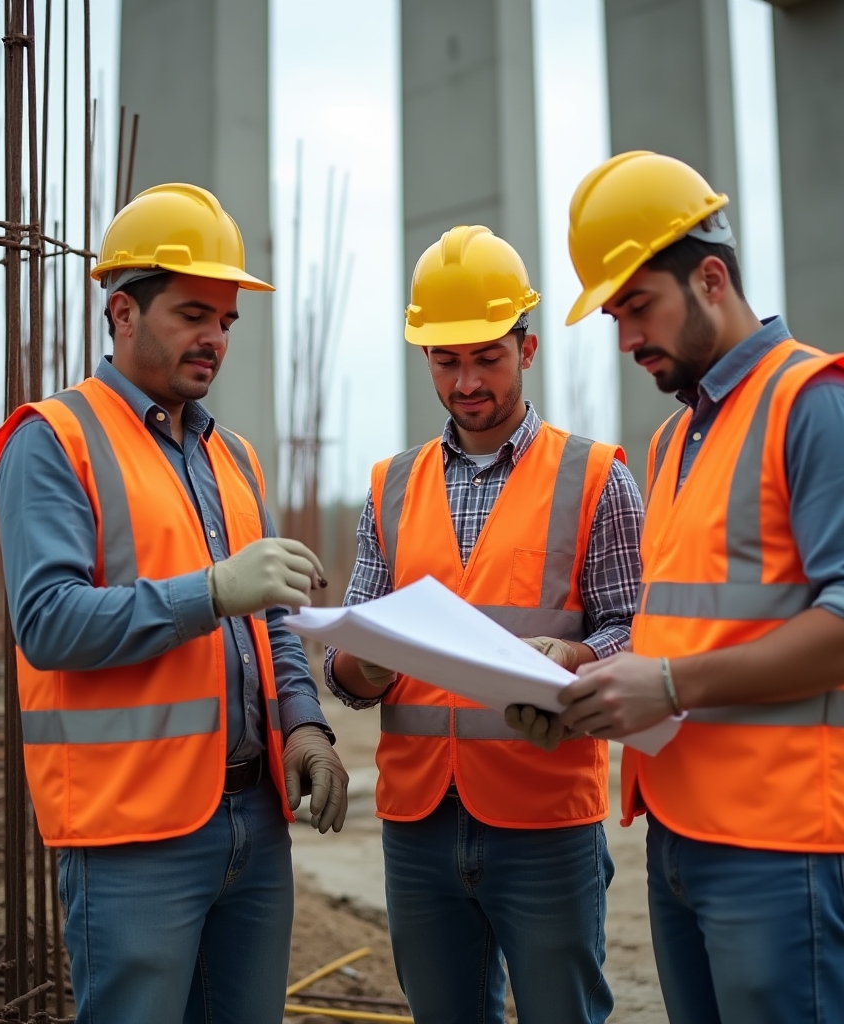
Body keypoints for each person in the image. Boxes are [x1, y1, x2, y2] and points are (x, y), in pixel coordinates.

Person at [511, 151, 844, 1024]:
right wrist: (586, 674)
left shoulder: (815, 403)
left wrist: (665, 685)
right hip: (680, 829)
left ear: (710, 277)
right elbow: (683, 629)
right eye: (614, 315)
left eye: (636, 306)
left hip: (783, 840)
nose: (624, 339)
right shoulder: (674, 444)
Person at [0, 183, 349, 1024]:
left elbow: (271, 627)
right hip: (130, 836)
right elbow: (48, 623)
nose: (215, 338)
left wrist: (303, 724)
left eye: (226, 320)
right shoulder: (54, 440)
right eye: (194, 313)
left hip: (252, 825)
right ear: (122, 311)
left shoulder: (233, 459)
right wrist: (214, 590)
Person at [325, 224, 644, 1024]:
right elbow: (351, 671)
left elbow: (641, 632)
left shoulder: (595, 478)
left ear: (527, 349)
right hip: (419, 822)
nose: (467, 381)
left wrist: (575, 652)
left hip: (543, 819)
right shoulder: (390, 487)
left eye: (487, 357)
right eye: (446, 360)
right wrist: (356, 661)